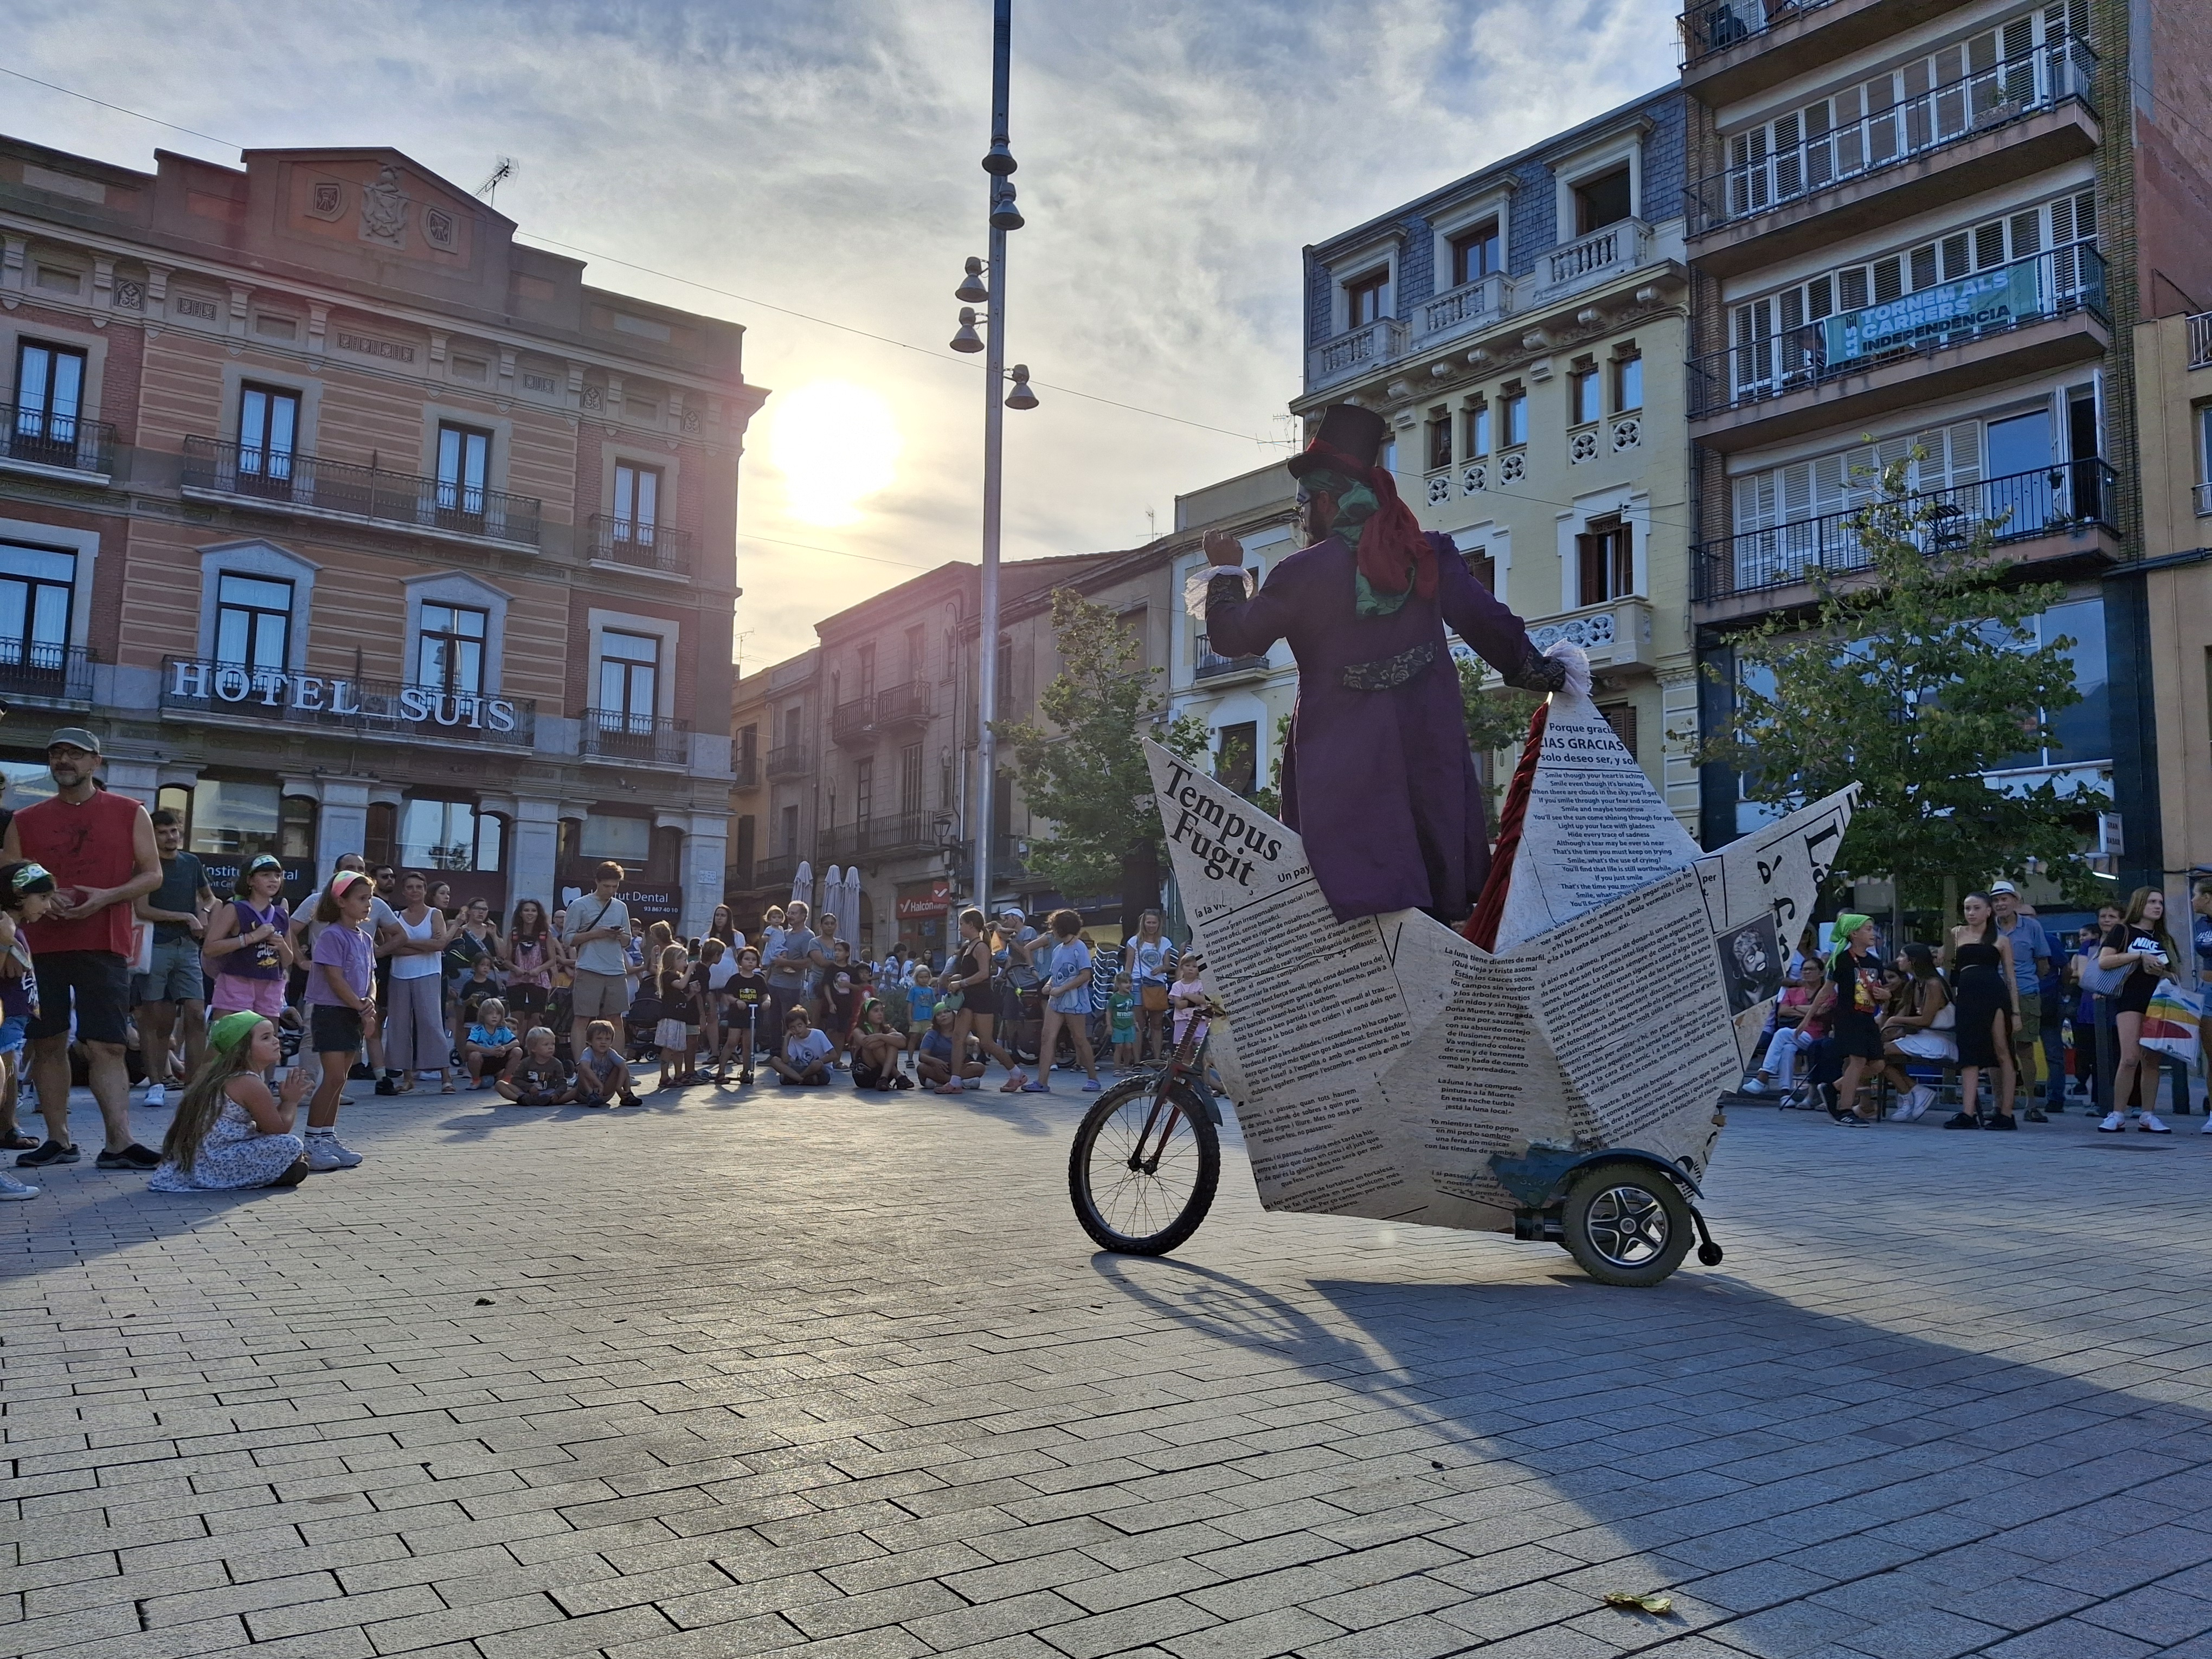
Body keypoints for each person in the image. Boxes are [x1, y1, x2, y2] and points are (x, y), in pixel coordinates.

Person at [1198, 402, 1566, 923]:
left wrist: (1227, 572)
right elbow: (1489, 624)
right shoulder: (1428, 553)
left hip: (1341, 773)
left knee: (1352, 904)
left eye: (1302, 507)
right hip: (1427, 761)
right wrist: (1544, 673)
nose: (1302, 520)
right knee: (1435, 902)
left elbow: (1234, 637)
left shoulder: (1301, 572)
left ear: (1325, 501)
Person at [5, 728, 165, 1173]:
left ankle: (119, 1143)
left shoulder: (130, 812)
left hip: (104, 941)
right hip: (40, 945)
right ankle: (58, 1139)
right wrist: (42, 895)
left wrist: (108, 895)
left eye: (74, 753)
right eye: (56, 752)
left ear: (96, 762)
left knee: (107, 1045)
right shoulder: (26, 819)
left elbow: (152, 875)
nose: (64, 760)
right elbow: (9, 880)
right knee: (48, 1041)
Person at [147, 1012, 310, 1192]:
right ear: (244, 1050)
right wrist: (290, 1101)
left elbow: (265, 1127)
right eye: (266, 1037)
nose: (276, 1041)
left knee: (288, 1152)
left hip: (196, 1161)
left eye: (274, 1035)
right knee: (292, 1145)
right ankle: (269, 1175)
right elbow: (277, 1129)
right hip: (217, 1161)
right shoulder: (249, 1083)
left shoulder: (220, 1077)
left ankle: (281, 1170)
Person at [132, 807, 213, 1111]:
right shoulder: (145, 866)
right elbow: (142, 909)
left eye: (174, 831)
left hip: (187, 946)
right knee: (157, 1020)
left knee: (195, 1013)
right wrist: (185, 915)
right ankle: (155, 1084)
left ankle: (194, 1085)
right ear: (152, 835)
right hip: (156, 945)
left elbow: (211, 898)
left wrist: (204, 914)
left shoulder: (191, 862)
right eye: (163, 832)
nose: (171, 837)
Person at [300, 872, 376, 1173]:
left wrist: (368, 1002)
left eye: (369, 898)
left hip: (353, 1013)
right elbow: (334, 978)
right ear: (341, 902)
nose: (368, 904)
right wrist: (359, 1005)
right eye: (362, 899)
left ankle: (328, 1138)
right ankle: (312, 1142)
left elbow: (371, 977)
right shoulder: (332, 935)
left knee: (341, 1080)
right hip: (331, 1012)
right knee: (332, 1078)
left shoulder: (366, 938)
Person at [2098, 885, 2179, 1134]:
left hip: (2159, 1001)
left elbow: (2176, 976)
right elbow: (2105, 961)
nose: (2158, 907)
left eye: (2161, 903)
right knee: (2130, 1057)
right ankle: (2117, 1113)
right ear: (2140, 904)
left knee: (2152, 1059)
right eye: (2153, 902)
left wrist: (2162, 972)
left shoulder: (2164, 938)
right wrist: (2138, 956)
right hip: (2129, 999)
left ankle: (2148, 1114)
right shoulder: (2123, 930)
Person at [0, 863, 56, 1196]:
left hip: (15, 1020)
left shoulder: (12, 926)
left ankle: (8, 1127)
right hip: (6, 1021)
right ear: (19, 896)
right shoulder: (5, 925)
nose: (48, 907)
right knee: (4, 1080)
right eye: (44, 898)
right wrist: (9, 945)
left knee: (8, 1081)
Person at [1943, 892, 2018, 1129]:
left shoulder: (2002, 940)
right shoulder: (1956, 934)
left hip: (1993, 994)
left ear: (1989, 911)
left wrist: (2016, 1012)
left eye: (1976, 908)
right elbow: (1947, 964)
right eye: (1967, 908)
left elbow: (2011, 978)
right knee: (1968, 1050)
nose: (1971, 913)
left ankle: (2006, 1113)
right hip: (1966, 996)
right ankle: (1967, 1113)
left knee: (2002, 1049)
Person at [939, 908, 1027, 1095]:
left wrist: (961, 982)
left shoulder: (981, 947)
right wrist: (958, 981)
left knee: (986, 1042)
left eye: (962, 924)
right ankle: (955, 1081)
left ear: (971, 925)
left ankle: (1016, 1073)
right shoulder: (969, 946)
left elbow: (984, 974)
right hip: (969, 997)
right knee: (958, 1037)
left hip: (982, 997)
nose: (960, 928)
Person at [202, 854, 294, 1024]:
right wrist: (250, 938)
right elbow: (209, 948)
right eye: (265, 875)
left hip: (270, 986)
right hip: (237, 982)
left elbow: (288, 961)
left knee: (266, 1044)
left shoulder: (281, 914)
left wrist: (282, 946)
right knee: (229, 1044)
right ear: (250, 880)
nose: (273, 880)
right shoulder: (235, 909)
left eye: (277, 875)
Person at [1988, 882, 2052, 1119]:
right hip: (1994, 994)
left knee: (2024, 1048)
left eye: (2005, 899)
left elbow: (2043, 964)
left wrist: (2025, 981)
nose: (2000, 904)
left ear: (2016, 901)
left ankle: (2031, 1104)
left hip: (2026, 992)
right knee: (1995, 1050)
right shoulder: (1986, 928)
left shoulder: (2032, 927)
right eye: (1996, 901)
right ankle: (1999, 1103)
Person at [383, 871, 451, 1094]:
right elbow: (392, 948)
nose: (414, 891)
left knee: (432, 1023)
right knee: (400, 1026)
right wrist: (424, 944)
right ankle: (407, 1077)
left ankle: (445, 1077)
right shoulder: (395, 916)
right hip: (399, 975)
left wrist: (407, 943)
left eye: (419, 887)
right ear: (404, 891)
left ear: (425, 890)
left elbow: (440, 945)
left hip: (429, 973)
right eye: (410, 887)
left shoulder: (435, 913)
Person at [562, 863, 633, 1066]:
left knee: (617, 1019)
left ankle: (618, 1068)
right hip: (589, 967)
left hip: (616, 969)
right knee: (583, 1018)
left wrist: (620, 936)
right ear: (597, 882)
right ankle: (580, 1068)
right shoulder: (579, 905)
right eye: (607, 886)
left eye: (615, 887)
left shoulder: (621, 907)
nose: (611, 891)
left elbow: (628, 940)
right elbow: (568, 939)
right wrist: (597, 933)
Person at [1822, 914, 1890, 1125]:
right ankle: (1845, 1109)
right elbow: (1826, 990)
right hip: (1848, 1017)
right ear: (1854, 934)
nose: (1873, 933)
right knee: (1858, 1061)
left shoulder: (1876, 963)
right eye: (1868, 930)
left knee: (1878, 1064)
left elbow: (1883, 990)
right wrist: (1807, 1019)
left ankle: (1833, 1088)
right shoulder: (1841, 961)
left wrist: (1886, 996)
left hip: (1868, 1017)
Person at [1878, 943, 1954, 1121]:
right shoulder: (1914, 984)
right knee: (1875, 1051)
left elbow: (1926, 1020)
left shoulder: (1933, 984)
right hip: (1923, 1036)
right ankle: (1913, 1091)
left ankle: (1908, 1096)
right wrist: (1887, 1012)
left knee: (1880, 1052)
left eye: (1902, 956)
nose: (1898, 960)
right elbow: (1904, 1014)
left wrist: (1894, 1021)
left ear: (1912, 961)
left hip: (1941, 1038)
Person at [1027, 910, 1099, 1094]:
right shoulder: (1059, 949)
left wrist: (1063, 988)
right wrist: (1049, 985)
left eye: (1053, 927)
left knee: (1080, 1039)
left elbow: (1085, 975)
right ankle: (1042, 1081)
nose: (1052, 932)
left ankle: (1093, 1079)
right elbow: (1054, 974)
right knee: (1047, 1038)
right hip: (1056, 1000)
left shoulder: (1080, 948)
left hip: (1074, 1001)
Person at [1741, 957, 1826, 1098]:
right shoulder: (1792, 992)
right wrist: (1808, 1010)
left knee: (1782, 1034)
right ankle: (1785, 1094)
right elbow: (1783, 1011)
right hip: (1795, 1033)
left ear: (1821, 973)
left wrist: (1796, 1007)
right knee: (1788, 1048)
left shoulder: (1826, 992)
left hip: (1815, 1035)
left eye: (1811, 969)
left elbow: (1820, 1011)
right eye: (1804, 969)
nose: (1807, 972)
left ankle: (1763, 1076)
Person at [763, 899, 827, 1040]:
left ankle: (791, 1053)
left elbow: (809, 962)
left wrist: (786, 962)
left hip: (790, 987)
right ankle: (775, 1054)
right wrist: (766, 982)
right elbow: (773, 960)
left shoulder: (808, 936)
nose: (790, 916)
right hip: (774, 983)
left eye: (794, 913)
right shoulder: (783, 933)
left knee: (790, 1022)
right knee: (773, 1021)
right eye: (789, 913)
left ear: (804, 916)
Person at [1126, 910, 1175, 1065]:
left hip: (1157, 984)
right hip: (1138, 983)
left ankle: (1157, 1060)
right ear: (1143, 923)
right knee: (1139, 1024)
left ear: (1159, 924)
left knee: (1157, 1024)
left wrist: (1161, 968)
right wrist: (1125, 985)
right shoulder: (1134, 941)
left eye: (1154, 923)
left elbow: (1168, 966)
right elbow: (1129, 966)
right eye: (1149, 922)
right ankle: (1138, 1061)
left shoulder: (1165, 942)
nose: (1152, 925)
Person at [504, 899, 556, 1027]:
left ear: (539, 914)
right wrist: (515, 968)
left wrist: (538, 969)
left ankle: (532, 1044)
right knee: (517, 1018)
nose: (530, 914)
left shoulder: (545, 934)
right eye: (526, 910)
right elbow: (506, 960)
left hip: (538, 980)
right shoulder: (514, 934)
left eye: (534, 911)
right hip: (517, 980)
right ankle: (517, 1044)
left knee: (537, 1017)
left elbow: (552, 960)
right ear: (521, 913)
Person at [654, 945, 696, 1090]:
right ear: (673, 960)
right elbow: (680, 985)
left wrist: (692, 993)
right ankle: (664, 1076)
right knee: (669, 1047)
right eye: (683, 960)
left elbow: (683, 997)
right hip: (670, 1018)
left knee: (680, 1048)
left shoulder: (678, 976)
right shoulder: (668, 976)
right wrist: (690, 970)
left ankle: (679, 1074)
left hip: (680, 1017)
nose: (685, 963)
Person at [915, 1006, 983, 1090]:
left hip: (958, 1069)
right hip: (939, 1069)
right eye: (939, 1014)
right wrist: (936, 1061)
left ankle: (943, 1083)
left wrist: (976, 1041)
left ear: (954, 1015)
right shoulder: (931, 1034)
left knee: (979, 1067)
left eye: (947, 1012)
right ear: (935, 1020)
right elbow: (922, 1056)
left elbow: (970, 1039)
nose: (943, 1015)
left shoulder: (961, 1031)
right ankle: (959, 1083)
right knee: (922, 1068)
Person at [573, 1019, 637, 1108]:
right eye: (599, 1039)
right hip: (587, 1092)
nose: (603, 1042)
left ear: (611, 1042)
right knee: (582, 1067)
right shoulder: (588, 1052)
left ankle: (627, 1095)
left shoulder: (611, 1053)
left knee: (621, 1067)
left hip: (605, 1092)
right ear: (590, 1041)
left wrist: (619, 1088)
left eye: (607, 1039)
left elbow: (624, 1067)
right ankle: (591, 1095)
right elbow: (585, 1067)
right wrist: (599, 1084)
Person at [851, 999, 909, 1091]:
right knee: (879, 1046)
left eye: (882, 1010)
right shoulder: (858, 1030)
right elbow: (868, 1044)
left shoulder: (887, 1030)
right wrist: (886, 1039)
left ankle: (883, 1078)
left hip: (886, 1075)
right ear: (866, 1013)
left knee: (892, 1044)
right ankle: (898, 1075)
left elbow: (903, 1041)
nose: (880, 1014)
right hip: (865, 1075)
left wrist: (880, 1036)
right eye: (876, 1011)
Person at [464, 998, 519, 1090]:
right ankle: (476, 1080)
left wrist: (504, 1048)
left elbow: (516, 1042)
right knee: (474, 1055)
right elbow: (469, 1045)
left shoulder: (502, 1029)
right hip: (483, 1062)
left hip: (498, 1059)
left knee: (517, 1051)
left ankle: (505, 1080)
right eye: (491, 1013)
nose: (495, 1016)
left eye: (498, 1014)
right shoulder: (478, 1030)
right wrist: (489, 1051)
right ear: (483, 1014)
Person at [771, 1005, 833, 1086]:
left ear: (806, 1023)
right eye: (793, 1028)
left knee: (816, 1064)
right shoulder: (794, 1039)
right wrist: (786, 1039)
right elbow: (786, 1061)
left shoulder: (818, 1034)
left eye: (800, 1025)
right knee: (774, 1060)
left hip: (820, 1070)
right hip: (803, 1067)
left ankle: (794, 1078)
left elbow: (834, 1055)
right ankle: (803, 1080)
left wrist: (819, 1062)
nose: (797, 1030)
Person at [1108, 970, 1137, 1072]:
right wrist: (1109, 1025)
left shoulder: (1131, 997)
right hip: (1118, 1026)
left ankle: (1127, 1066)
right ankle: (1117, 1068)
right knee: (1119, 1047)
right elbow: (1109, 1012)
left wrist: (1135, 1023)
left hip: (1129, 1026)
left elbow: (1132, 1011)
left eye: (1130, 982)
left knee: (1129, 1047)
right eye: (1125, 982)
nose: (1129, 985)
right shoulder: (1114, 998)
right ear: (1118, 984)